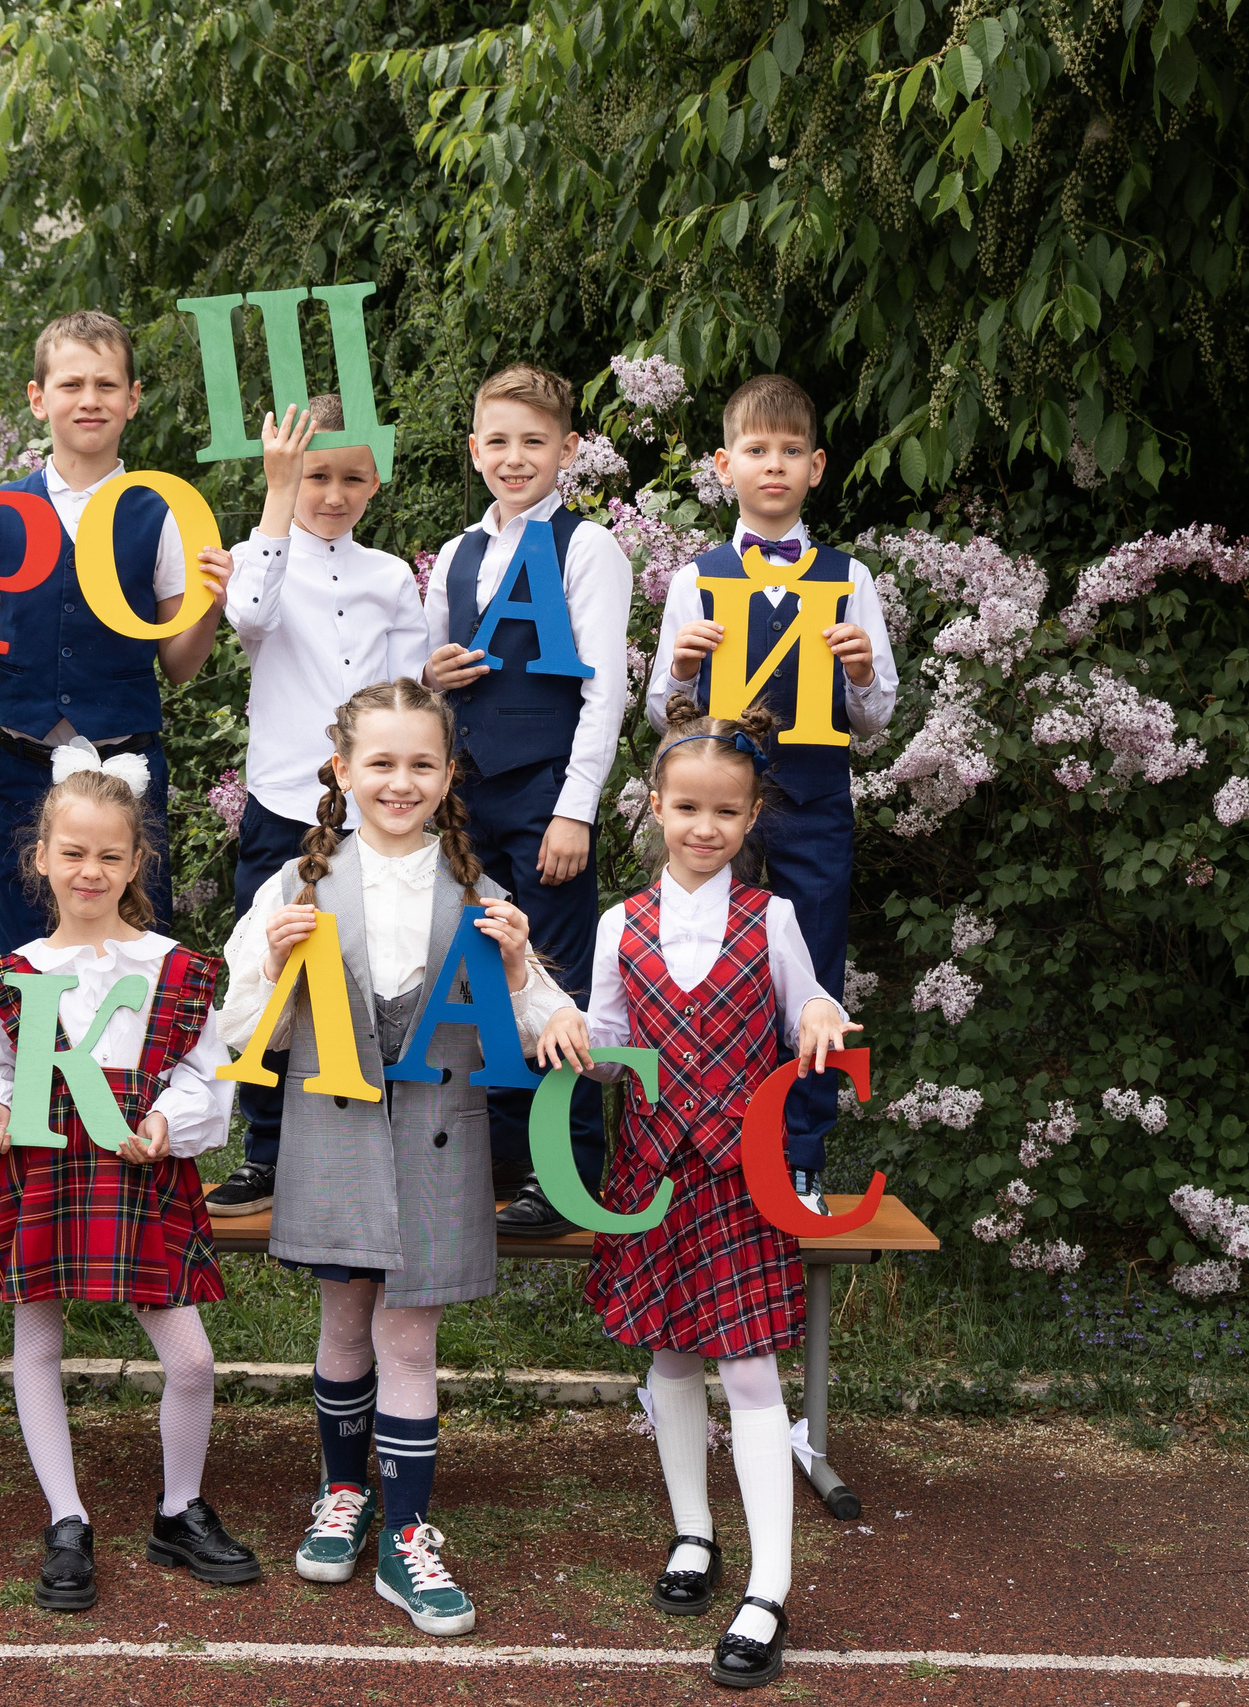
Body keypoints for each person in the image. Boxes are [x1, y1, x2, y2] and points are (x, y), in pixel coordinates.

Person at [218, 678, 576, 1637]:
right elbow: (242, 1032)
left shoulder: (479, 888)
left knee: (409, 1339)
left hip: (436, 1137)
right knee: (344, 1327)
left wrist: (546, 999)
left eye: (422, 762)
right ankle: (344, 1492)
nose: (400, 780)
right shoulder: (292, 885)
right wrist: (268, 960)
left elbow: (533, 1005)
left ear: (449, 773)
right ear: (342, 770)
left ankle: (407, 1533)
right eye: (380, 762)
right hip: (333, 1128)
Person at [537, 695, 852, 1691]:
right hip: (649, 1175)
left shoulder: (775, 919)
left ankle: (768, 1586)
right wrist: (569, 1041)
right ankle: (690, 1533)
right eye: (685, 809)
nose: (704, 827)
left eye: (725, 812)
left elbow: (810, 1001)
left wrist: (820, 1012)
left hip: (740, 1178)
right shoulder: (616, 922)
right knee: (669, 1354)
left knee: (751, 1374)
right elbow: (603, 1044)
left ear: (751, 819)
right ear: (656, 809)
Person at [0, 758, 259, 1611]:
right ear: (40, 857)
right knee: (37, 1347)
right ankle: (67, 1517)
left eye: (110, 856)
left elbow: (204, 1080)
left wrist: (167, 1124)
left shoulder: (176, 967)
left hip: (137, 1176)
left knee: (191, 1360)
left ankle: (177, 1508)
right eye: (73, 852)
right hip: (45, 1178)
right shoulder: (19, 971)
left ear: (134, 865)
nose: (91, 871)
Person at [645, 374, 895, 1214]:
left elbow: (877, 717)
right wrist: (681, 666)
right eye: (757, 450)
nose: (774, 465)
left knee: (814, 973)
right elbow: (658, 712)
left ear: (817, 467)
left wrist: (861, 671)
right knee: (714, 968)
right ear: (725, 465)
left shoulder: (849, 576)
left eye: (791, 451)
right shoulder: (696, 579)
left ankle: (801, 1157)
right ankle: (712, 1147)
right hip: (720, 804)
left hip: (817, 803)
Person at [0, 310, 229, 955]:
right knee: (20, 959)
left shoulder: (164, 513)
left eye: (106, 385)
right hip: (21, 772)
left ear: (133, 399)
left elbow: (179, 665)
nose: (88, 400)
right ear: (39, 399)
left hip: (127, 771)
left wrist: (209, 603)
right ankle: (26, 1063)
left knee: (135, 952)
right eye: (71, 385)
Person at [418, 363, 631, 1237]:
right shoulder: (457, 556)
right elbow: (427, 683)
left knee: (553, 979)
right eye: (498, 442)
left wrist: (576, 806)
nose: (515, 457)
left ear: (568, 450)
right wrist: (427, 678)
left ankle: (568, 1167)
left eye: (534, 442)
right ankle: (498, 1160)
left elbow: (606, 690)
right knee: (475, 980)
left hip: (545, 800)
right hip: (466, 808)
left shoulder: (589, 547)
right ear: (475, 450)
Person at [205, 396, 431, 1218]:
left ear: (375, 483)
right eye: (314, 475)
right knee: (269, 971)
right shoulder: (258, 555)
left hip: (377, 810)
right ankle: (265, 1150)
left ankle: (372, 1142)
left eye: (350, 477)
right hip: (284, 803)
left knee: (377, 969)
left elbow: (410, 693)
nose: (331, 493)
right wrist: (274, 493)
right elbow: (251, 615)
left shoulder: (389, 576)